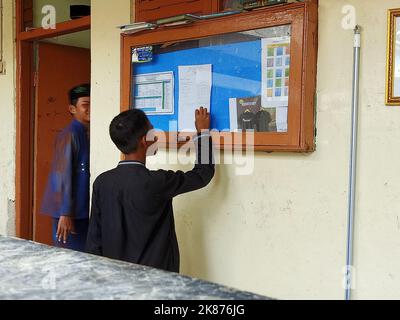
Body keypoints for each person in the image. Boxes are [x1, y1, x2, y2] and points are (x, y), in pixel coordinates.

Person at [86, 107, 215, 273]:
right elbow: (202, 174)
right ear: (144, 141)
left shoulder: (102, 182)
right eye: (152, 130)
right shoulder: (157, 182)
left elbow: (94, 241)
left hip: (115, 278)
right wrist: (203, 132)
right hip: (155, 279)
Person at [40, 84, 91, 252]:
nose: (91, 108)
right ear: (72, 108)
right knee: (69, 261)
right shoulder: (69, 134)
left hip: (82, 211)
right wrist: (65, 213)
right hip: (69, 213)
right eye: (86, 104)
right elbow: (62, 176)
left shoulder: (86, 132)